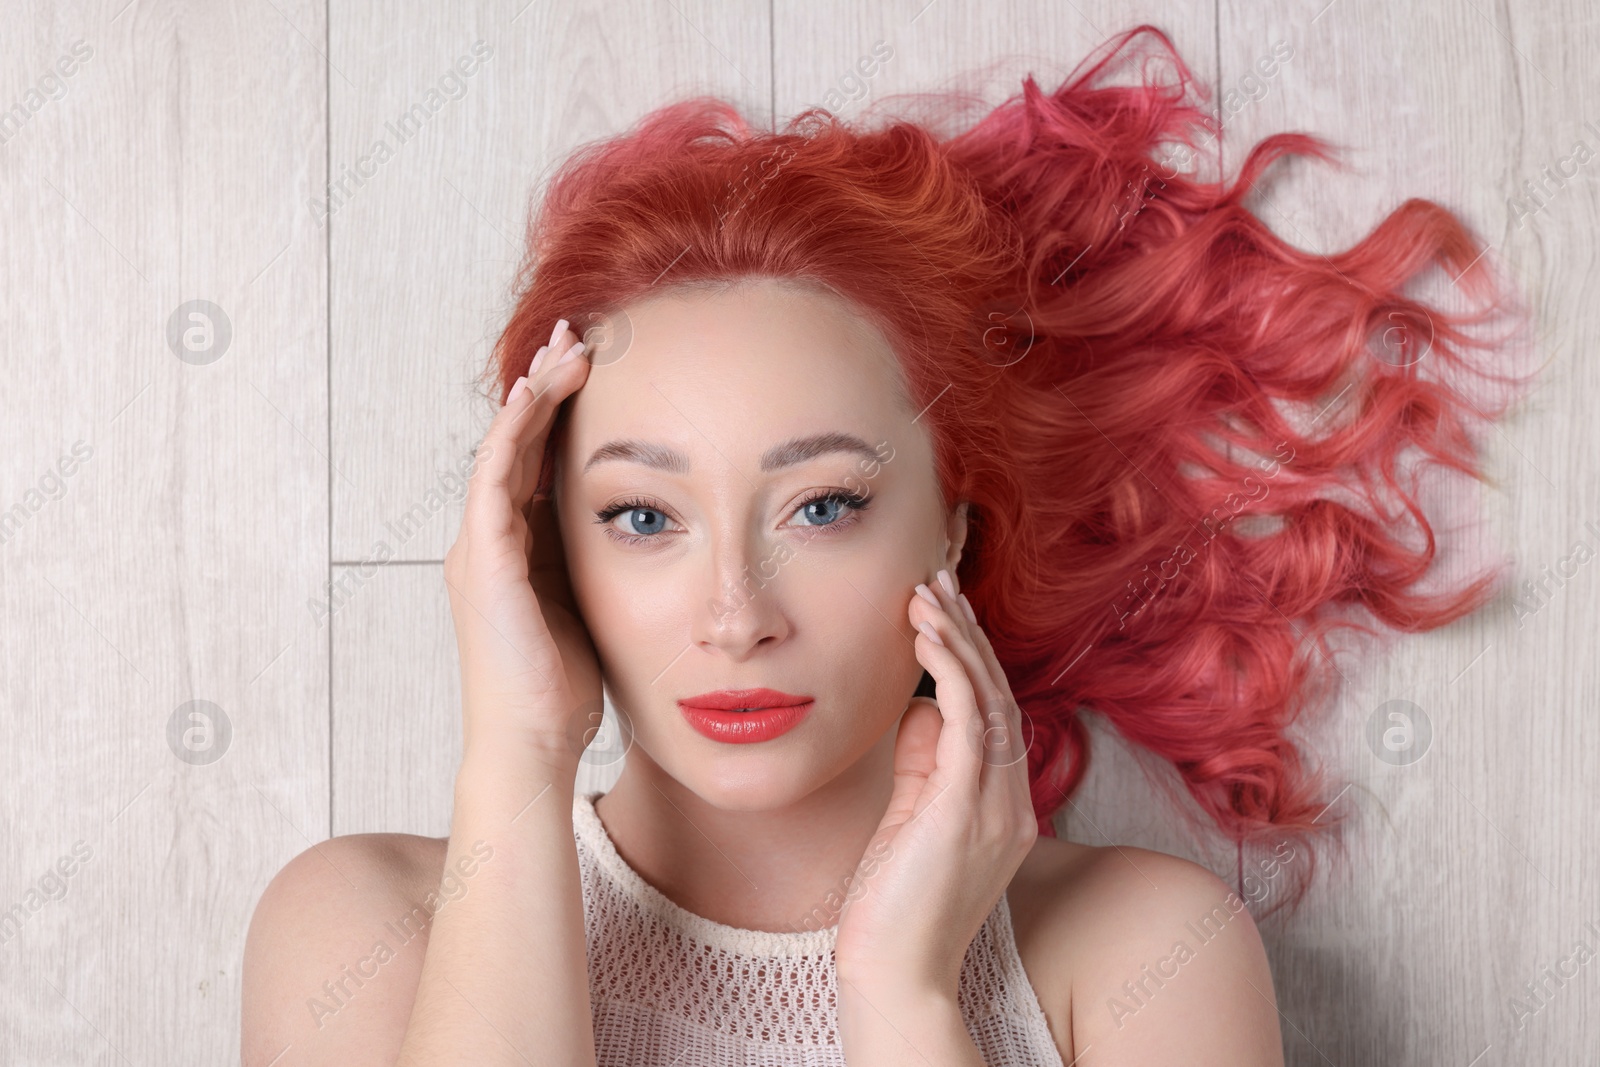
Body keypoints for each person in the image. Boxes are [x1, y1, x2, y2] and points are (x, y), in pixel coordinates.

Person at [241, 24, 1533, 1067]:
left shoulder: (1145, 959)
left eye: (823, 506)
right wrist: (516, 760)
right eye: (643, 518)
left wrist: (904, 998)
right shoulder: (361, 932)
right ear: (542, 552)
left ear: (954, 527)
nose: (736, 614)